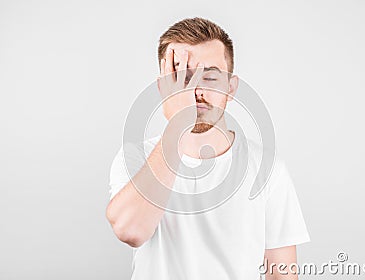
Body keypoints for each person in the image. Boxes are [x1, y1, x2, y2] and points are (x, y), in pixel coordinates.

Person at [106, 17, 310, 280]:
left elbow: (282, 275)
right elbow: (131, 231)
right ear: (162, 88)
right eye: (182, 78)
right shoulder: (135, 158)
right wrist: (178, 125)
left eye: (211, 77)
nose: (196, 90)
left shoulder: (266, 168)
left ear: (231, 87)